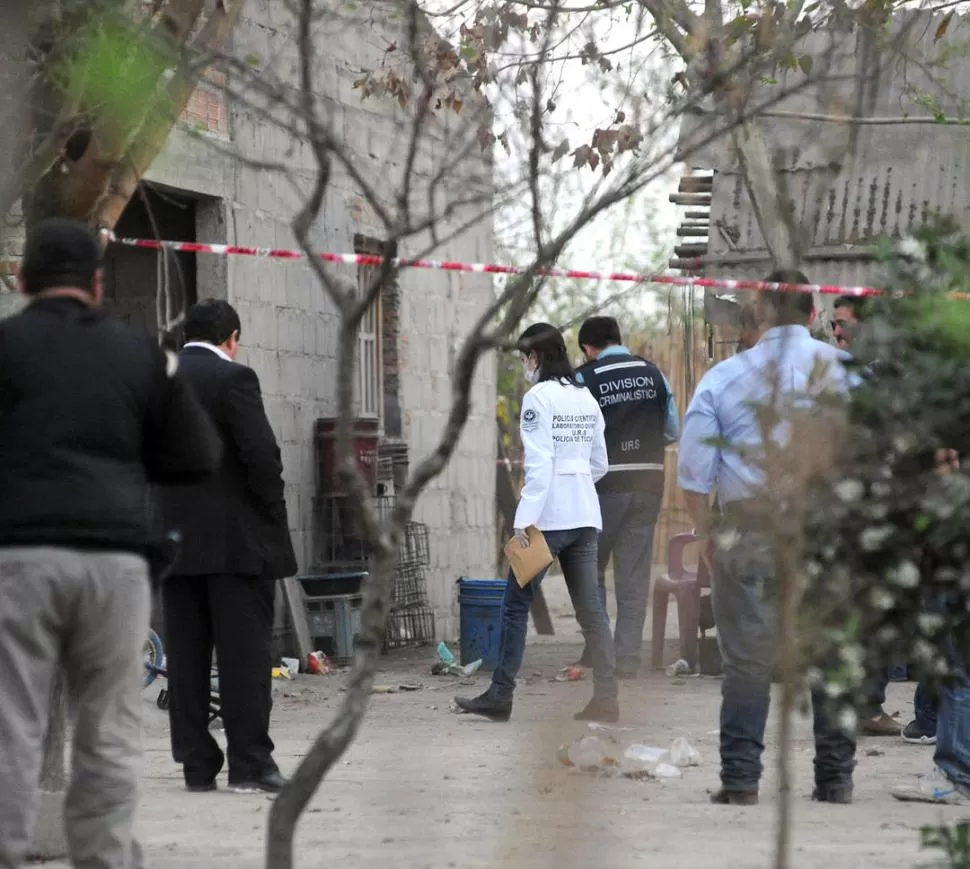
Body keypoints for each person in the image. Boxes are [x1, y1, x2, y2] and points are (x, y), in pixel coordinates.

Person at [0, 218, 221, 869]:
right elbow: (196, 455)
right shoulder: (136, 354)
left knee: (10, 723)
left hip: (19, 561)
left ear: (20, 280)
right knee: (108, 734)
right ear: (97, 285)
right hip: (116, 566)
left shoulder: (5, 347)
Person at [678, 269, 857, 805]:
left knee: (749, 659)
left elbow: (693, 469)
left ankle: (740, 781)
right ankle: (835, 780)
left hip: (749, 527)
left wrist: (707, 533)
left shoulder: (722, 379)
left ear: (758, 316)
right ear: (813, 315)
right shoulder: (850, 375)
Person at [159, 299, 297, 794]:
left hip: (174, 545)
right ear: (231, 338)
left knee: (187, 659)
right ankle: (250, 764)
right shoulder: (234, 379)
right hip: (236, 546)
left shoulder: (160, 378)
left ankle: (197, 766)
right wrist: (272, 517)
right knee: (244, 661)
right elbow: (261, 456)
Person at [456, 323, 619, 722]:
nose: (524, 365)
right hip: (584, 515)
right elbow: (601, 462)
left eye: (524, 357)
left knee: (514, 606)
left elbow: (540, 466)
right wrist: (576, 483)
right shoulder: (585, 398)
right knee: (592, 611)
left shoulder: (537, 400)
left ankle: (500, 695)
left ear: (536, 357)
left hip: (547, 520)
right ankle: (607, 699)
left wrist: (523, 522)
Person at [570, 316, 680, 677]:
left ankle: (601, 655)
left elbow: (575, 436)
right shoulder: (654, 374)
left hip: (602, 490)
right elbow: (671, 431)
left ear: (588, 347)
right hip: (648, 485)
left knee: (591, 571)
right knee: (633, 578)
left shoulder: (584, 379)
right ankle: (629, 659)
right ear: (619, 338)